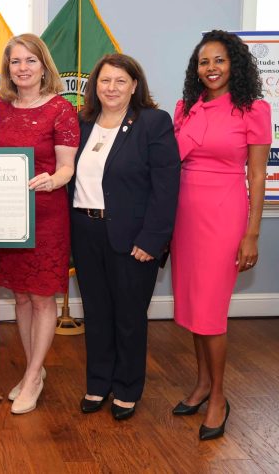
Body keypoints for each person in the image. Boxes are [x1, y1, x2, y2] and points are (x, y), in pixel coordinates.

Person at [171, 30, 270, 441]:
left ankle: (219, 397)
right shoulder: (185, 108)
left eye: (220, 60)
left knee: (211, 312)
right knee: (196, 308)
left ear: (236, 65)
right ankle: (202, 383)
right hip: (185, 217)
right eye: (204, 62)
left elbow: (258, 174)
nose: (211, 68)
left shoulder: (254, 109)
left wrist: (252, 234)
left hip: (225, 214)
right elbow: (168, 162)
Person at [69, 53, 180, 421]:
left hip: (133, 238)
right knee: (97, 314)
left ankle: (128, 387)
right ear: (93, 86)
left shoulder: (153, 123)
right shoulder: (83, 123)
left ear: (135, 85)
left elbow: (166, 189)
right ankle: (98, 382)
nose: (111, 87)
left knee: (129, 316)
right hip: (86, 233)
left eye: (120, 81)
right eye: (104, 80)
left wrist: (153, 239)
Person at [0, 34, 79, 414]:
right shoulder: (1, 107)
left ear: (44, 65)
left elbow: (67, 167)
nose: (22, 68)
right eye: (15, 62)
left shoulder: (62, 109)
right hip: (9, 215)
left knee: (43, 297)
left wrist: (53, 180)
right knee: (21, 295)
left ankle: (31, 376)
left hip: (46, 215)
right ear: (8, 68)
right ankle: (34, 371)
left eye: (30, 60)